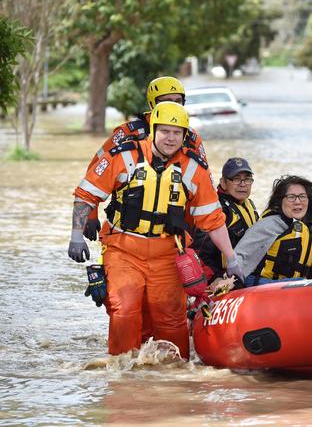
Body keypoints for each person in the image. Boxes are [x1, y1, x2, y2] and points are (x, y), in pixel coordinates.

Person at [67, 102, 242, 360]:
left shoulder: (194, 168)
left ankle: (173, 378)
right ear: (153, 130)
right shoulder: (123, 156)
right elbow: (86, 195)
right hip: (123, 249)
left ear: (184, 136)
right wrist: (76, 235)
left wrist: (232, 257)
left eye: (177, 133)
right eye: (165, 131)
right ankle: (121, 373)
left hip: (168, 253)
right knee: (124, 310)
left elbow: (212, 219)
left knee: (171, 318)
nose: (171, 138)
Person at [82, 76, 208, 241]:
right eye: (166, 101)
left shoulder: (191, 137)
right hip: (129, 217)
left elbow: (203, 183)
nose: (173, 106)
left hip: (174, 219)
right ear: (152, 104)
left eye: (178, 101)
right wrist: (90, 215)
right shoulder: (129, 132)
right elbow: (96, 169)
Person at [235, 175, 312, 286]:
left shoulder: (311, 229)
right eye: (291, 197)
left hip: (292, 286)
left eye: (302, 197)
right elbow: (240, 255)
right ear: (281, 200)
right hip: (259, 285)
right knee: (301, 283)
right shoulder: (269, 224)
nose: (297, 201)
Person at [192, 157, 258, 283]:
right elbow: (199, 251)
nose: (243, 184)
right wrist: (214, 278)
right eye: (236, 179)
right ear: (223, 182)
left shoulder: (248, 205)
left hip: (249, 273)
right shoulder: (217, 210)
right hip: (226, 278)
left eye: (247, 179)